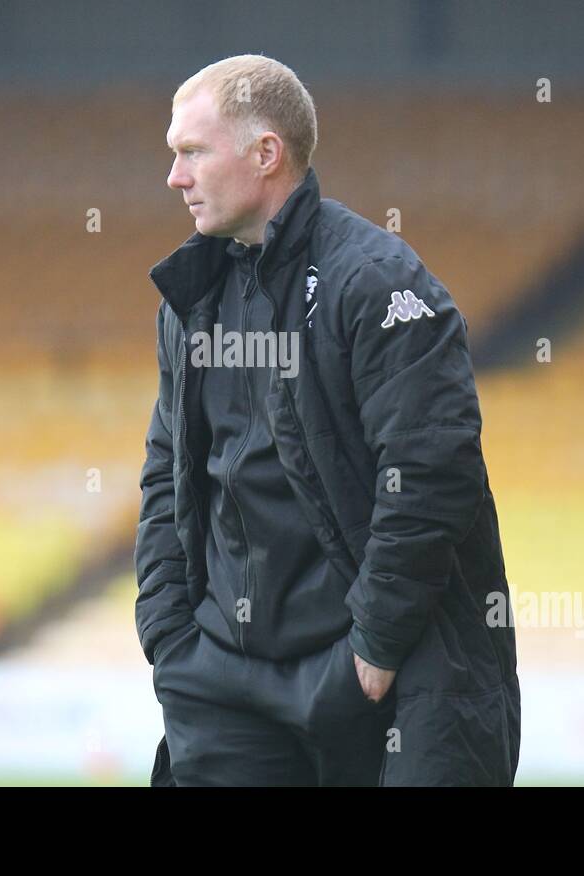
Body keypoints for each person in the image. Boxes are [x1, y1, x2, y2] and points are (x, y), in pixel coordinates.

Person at [133, 53, 520, 785]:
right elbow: (167, 469)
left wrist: (373, 648)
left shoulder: (377, 281)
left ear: (266, 153)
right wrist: (168, 634)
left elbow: (435, 472)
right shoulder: (191, 298)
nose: (174, 178)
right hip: (223, 683)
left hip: (373, 678)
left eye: (191, 153)